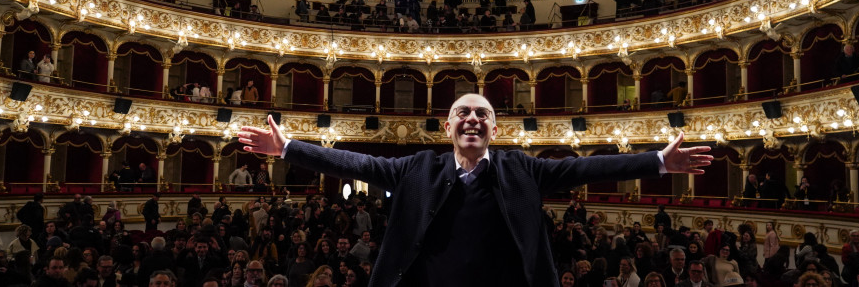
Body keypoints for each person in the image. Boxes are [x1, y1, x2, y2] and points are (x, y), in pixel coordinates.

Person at [239, 93, 712, 287]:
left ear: (493, 127)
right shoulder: (417, 168)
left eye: (482, 113)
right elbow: (355, 162)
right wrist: (289, 149)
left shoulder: (521, 169)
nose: (472, 118)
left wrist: (656, 161)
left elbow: (586, 168)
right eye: (463, 112)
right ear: (447, 126)